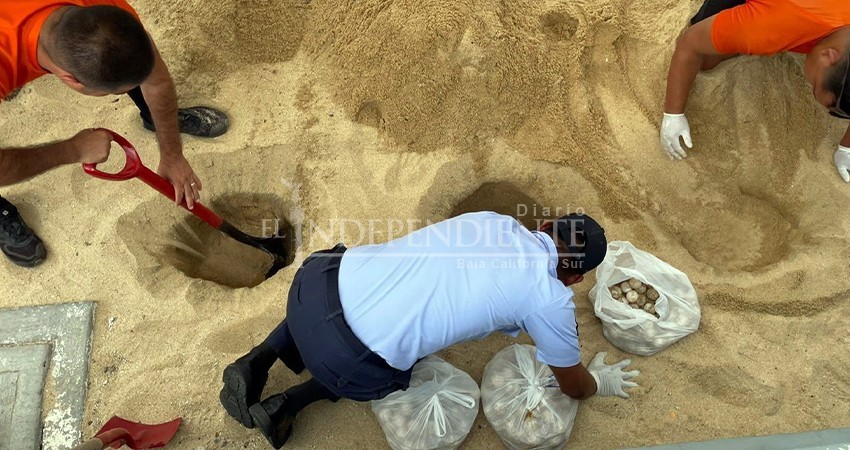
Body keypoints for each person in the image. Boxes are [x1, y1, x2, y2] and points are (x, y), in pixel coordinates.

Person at [219, 211, 640, 448]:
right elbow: (574, 386)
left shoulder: (496, 221)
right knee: (385, 362)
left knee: (362, 284)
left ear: (546, 226)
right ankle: (286, 404)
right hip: (343, 356)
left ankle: (256, 360)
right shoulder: (550, 297)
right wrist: (597, 381)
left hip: (312, 283)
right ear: (575, 279)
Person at [0, 0, 229, 267]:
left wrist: (172, 154)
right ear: (69, 79)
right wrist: (73, 149)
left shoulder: (108, 14)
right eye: (114, 93)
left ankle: (151, 116)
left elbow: (156, 81)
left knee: (125, 63)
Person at [660, 0, 850, 180]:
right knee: (707, 58)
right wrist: (673, 113)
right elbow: (691, 44)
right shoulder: (771, 28)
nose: (811, 90)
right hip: (786, 14)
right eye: (814, 86)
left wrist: (846, 148)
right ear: (829, 55)